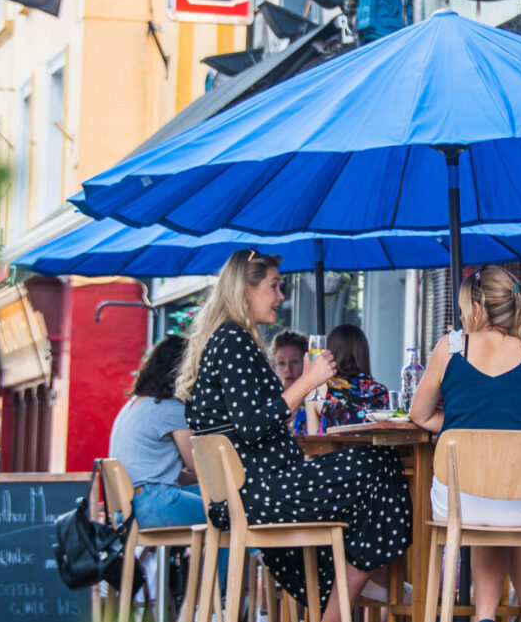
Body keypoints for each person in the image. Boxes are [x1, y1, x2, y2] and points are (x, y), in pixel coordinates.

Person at [179, 250, 412, 622]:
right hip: (259, 492)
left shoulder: (225, 342)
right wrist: (308, 380)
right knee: (381, 465)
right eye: (274, 286)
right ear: (245, 289)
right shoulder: (234, 342)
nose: (280, 296)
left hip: (249, 490)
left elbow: (250, 424)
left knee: (367, 482)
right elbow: (253, 425)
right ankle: (351, 598)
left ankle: (353, 585)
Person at [407, 265, 521, 622]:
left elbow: (420, 416)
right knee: (502, 494)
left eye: (461, 308)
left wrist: (460, 429)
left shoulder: (451, 347)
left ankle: (486, 615)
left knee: (485, 495)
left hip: (459, 502)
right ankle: (520, 613)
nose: (459, 316)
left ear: (476, 308)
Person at [108, 335, 206, 527]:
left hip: (127, 509)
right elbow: (200, 467)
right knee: (228, 514)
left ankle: (256, 554)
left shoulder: (134, 405)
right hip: (153, 504)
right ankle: (260, 555)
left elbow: (174, 474)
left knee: (221, 503)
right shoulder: (171, 409)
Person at [314, 324, 391, 429]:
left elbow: (313, 439)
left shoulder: (319, 389)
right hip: (373, 445)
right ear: (363, 354)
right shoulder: (381, 391)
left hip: (335, 445)